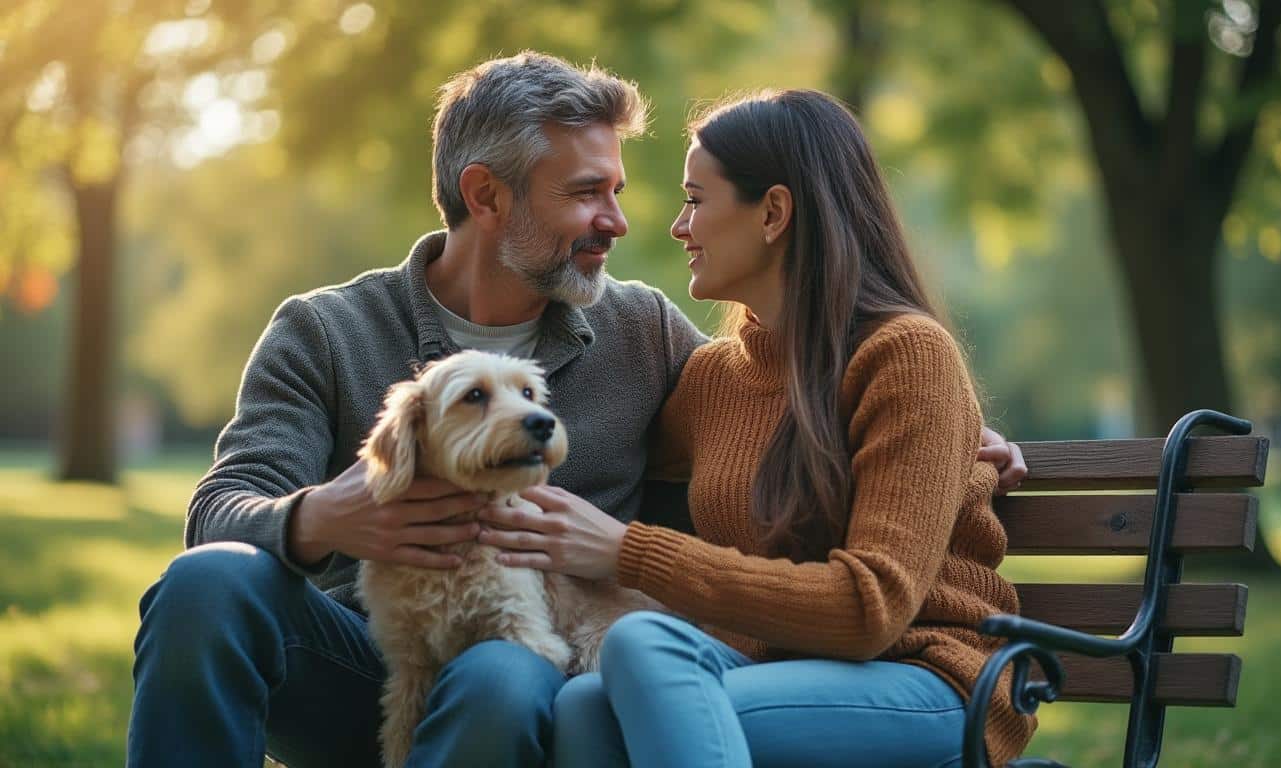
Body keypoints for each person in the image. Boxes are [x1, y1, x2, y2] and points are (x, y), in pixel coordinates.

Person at [127, 52, 1026, 767]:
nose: (621, 224)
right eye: (585, 193)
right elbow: (218, 509)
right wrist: (326, 515)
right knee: (207, 583)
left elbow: (797, 385)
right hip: (361, 659)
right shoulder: (327, 331)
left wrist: (954, 435)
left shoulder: (641, 334)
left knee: (506, 679)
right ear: (486, 195)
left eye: (622, 192)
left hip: (524, 666)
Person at [477, 89, 1035, 768]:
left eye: (695, 199)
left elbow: (871, 610)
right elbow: (601, 456)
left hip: (927, 679)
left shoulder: (906, 355)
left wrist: (630, 551)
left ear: (772, 212)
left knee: (643, 657)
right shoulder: (712, 379)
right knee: (585, 701)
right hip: (765, 670)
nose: (679, 227)